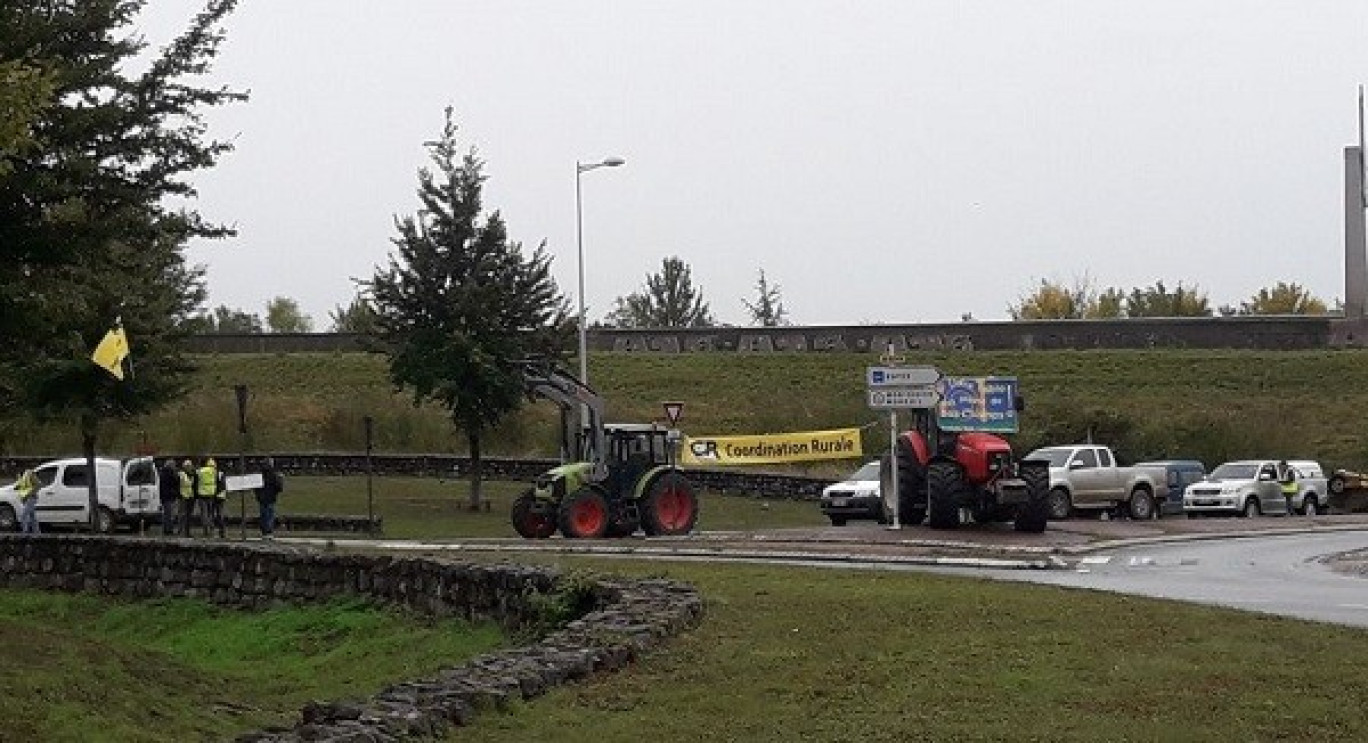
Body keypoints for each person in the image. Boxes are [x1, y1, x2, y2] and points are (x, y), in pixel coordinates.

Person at [255, 457, 284, 539]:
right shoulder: (274, 474)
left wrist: (258, 495)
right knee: (269, 515)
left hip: (262, 498)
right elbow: (279, 487)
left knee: (264, 515)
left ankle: (264, 532)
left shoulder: (261, 474)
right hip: (271, 497)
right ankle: (268, 532)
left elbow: (256, 488)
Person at [195, 457, 219, 537]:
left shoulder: (200, 471)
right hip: (211, 493)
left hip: (202, 494)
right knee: (210, 512)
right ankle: (212, 528)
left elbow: (195, 477)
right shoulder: (214, 472)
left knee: (204, 513)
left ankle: (205, 530)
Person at [158, 459, 180, 535]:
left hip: (165, 496)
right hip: (169, 496)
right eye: (174, 465)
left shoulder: (162, 473)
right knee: (169, 514)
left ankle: (166, 529)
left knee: (166, 514)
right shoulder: (170, 473)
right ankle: (169, 530)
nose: (175, 466)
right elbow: (175, 482)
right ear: (171, 465)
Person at [15, 468, 39, 535]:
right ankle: (36, 532)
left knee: (24, 515)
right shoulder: (21, 477)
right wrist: (17, 487)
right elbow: (22, 486)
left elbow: (38, 484)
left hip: (31, 498)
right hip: (25, 499)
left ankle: (25, 531)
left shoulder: (30, 475)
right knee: (32, 516)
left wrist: (30, 493)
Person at [178, 459, 196, 536]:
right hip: (183, 496)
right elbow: (185, 483)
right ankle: (181, 530)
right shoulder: (181, 474)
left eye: (190, 466)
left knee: (188, 515)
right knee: (182, 514)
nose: (189, 467)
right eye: (187, 466)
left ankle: (187, 531)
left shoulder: (193, 474)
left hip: (190, 496)